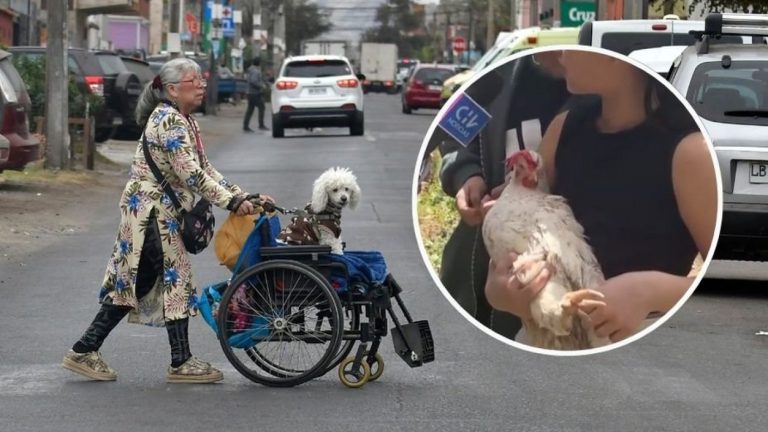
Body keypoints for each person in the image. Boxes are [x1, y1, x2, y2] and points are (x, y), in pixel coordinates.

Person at [482, 49, 717, 344]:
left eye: (580, 46)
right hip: (548, 340)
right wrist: (499, 290)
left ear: (617, 58)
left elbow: (726, 290)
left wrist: (650, 290)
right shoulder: (565, 125)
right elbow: (527, 231)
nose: (564, 54)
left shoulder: (689, 152)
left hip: (640, 344)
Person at [62, 58, 272, 383]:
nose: (202, 85)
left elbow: (205, 169)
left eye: (201, 79)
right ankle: (181, 361)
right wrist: (232, 200)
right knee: (176, 278)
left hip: (159, 214)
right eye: (194, 80)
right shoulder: (168, 121)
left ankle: (84, 349)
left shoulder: (185, 121)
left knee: (138, 283)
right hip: (151, 214)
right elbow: (190, 174)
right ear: (173, 89)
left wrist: (244, 196)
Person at [437, 52, 596, 339]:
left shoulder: (602, 88)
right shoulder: (498, 73)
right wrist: (466, 175)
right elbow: (454, 134)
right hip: (476, 267)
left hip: (559, 271)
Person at [243, 56, 268, 132]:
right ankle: (261, 124)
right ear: (259, 63)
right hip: (254, 93)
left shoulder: (251, 69)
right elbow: (254, 81)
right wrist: (261, 85)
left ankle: (246, 126)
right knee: (262, 107)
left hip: (250, 92)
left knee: (250, 109)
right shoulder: (255, 71)